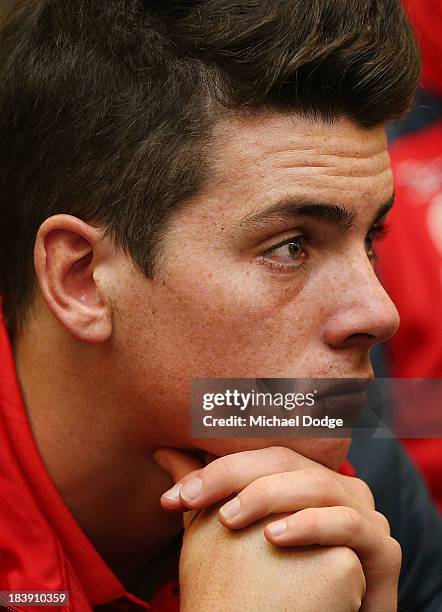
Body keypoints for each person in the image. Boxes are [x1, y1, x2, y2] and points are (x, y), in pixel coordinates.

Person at [0, 1, 440, 610]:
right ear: (81, 279)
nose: (379, 312)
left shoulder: (362, 484)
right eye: (291, 246)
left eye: (370, 240)